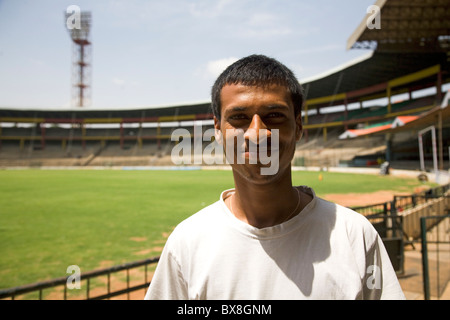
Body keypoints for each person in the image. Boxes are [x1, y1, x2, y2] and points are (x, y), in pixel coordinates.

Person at [145, 54, 405, 300]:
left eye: (274, 116)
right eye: (239, 118)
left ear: (299, 126)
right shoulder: (187, 243)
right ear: (217, 130)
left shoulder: (354, 236)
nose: (257, 134)